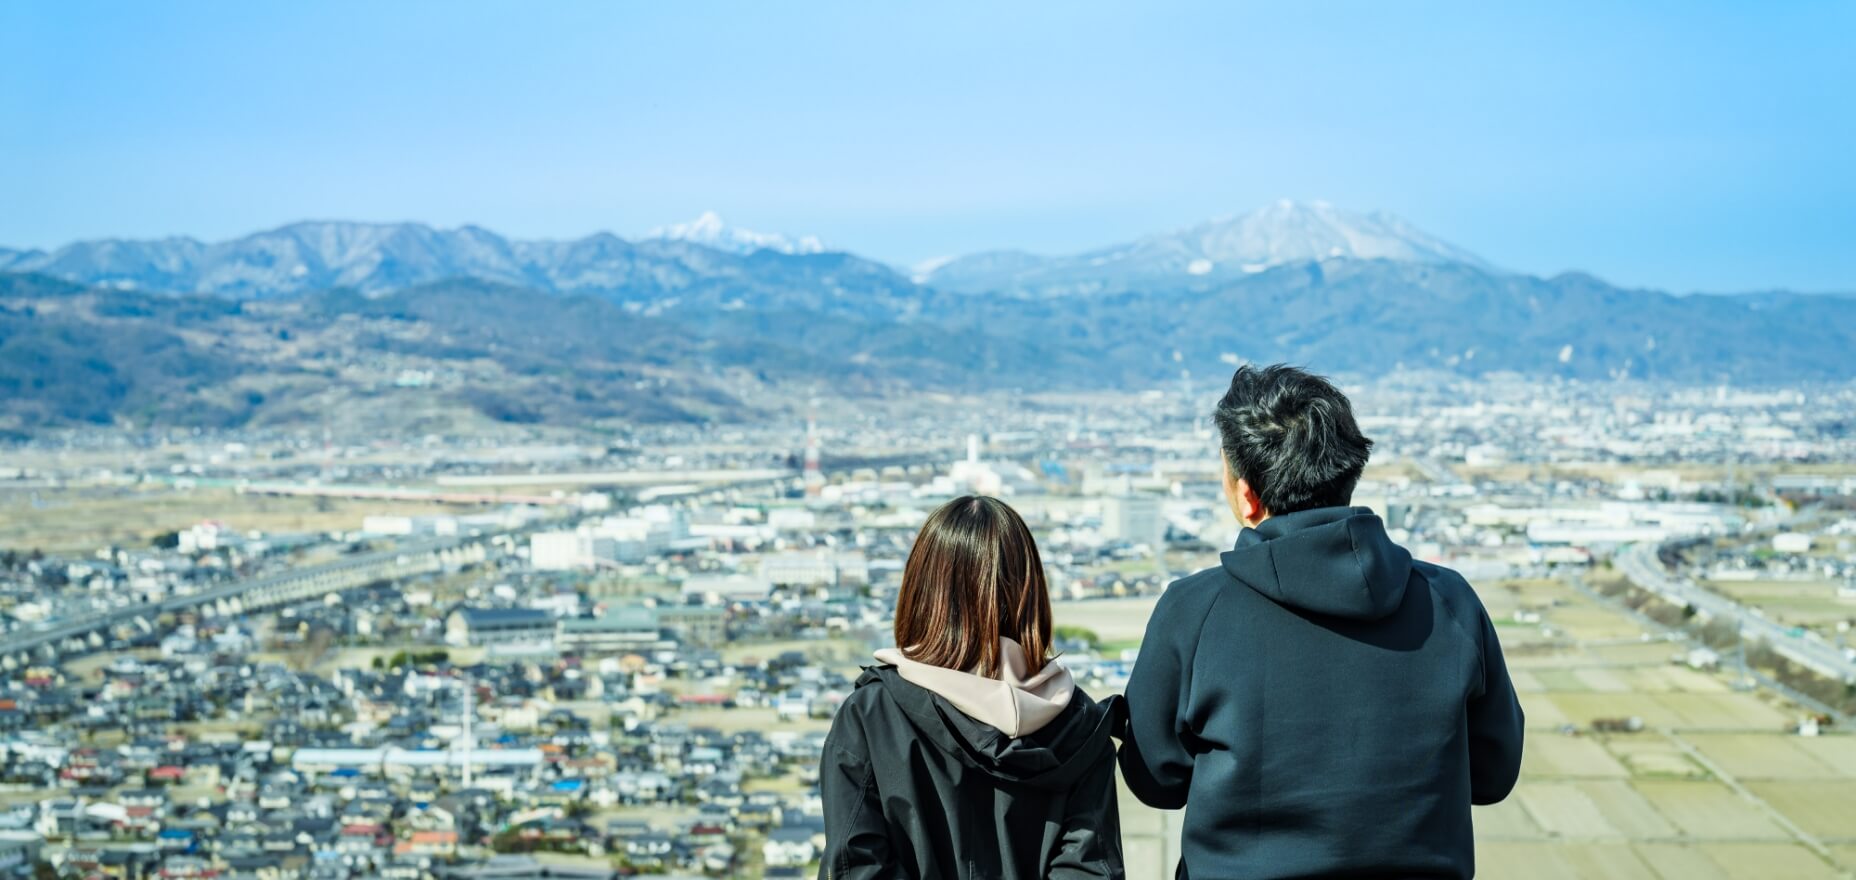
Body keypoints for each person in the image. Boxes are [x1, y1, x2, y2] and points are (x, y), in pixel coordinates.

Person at [1118, 364, 1524, 879]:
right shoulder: (1451, 602)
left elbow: (1154, 779)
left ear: (1246, 494)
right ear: (1348, 473)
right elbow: (1493, 774)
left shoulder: (1195, 610)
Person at [820, 495, 1124, 880]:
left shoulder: (871, 715)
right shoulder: (1079, 724)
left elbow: (856, 867)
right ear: (1029, 593)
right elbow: (1089, 869)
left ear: (922, 592)